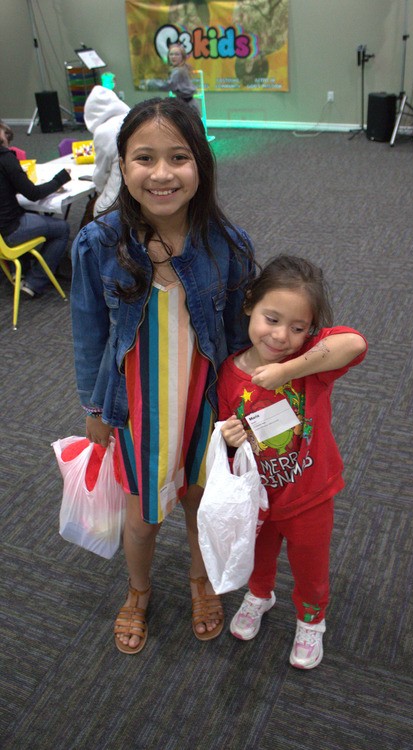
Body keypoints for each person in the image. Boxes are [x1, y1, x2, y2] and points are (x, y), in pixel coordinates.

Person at [70, 97, 255, 654]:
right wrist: (94, 411)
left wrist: (243, 409)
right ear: (122, 166)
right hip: (137, 408)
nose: (161, 174)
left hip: (205, 401)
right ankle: (139, 590)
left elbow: (238, 340)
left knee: (201, 501)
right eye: (144, 158)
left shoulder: (228, 244)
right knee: (143, 518)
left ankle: (201, 580)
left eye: (178, 157)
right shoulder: (97, 244)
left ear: (200, 163)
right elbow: (88, 334)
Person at [217, 255, 367, 670]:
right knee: (256, 557)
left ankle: (311, 620)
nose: (282, 336)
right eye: (272, 319)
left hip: (309, 493)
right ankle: (259, 596)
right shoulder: (228, 373)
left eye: (298, 328)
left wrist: (288, 370)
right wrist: (228, 437)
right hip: (259, 496)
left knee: (310, 565)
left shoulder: (311, 366)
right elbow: (225, 431)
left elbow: (355, 343)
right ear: (250, 304)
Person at [0, 121, 71, 297]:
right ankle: (34, 282)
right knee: (62, 228)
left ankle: (22, 268)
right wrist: (60, 179)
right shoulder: (6, 158)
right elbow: (33, 194)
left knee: (31, 212)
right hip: (10, 230)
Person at [83, 85, 130, 217]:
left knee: (92, 209)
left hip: (117, 202)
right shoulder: (134, 119)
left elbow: (101, 173)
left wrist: (99, 191)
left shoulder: (104, 131)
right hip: (141, 195)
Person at [163, 43, 198, 112]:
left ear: (182, 57)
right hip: (183, 103)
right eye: (171, 54)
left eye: (177, 54)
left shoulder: (179, 71)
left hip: (187, 105)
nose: (173, 57)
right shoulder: (179, 68)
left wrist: (150, 84)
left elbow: (169, 85)